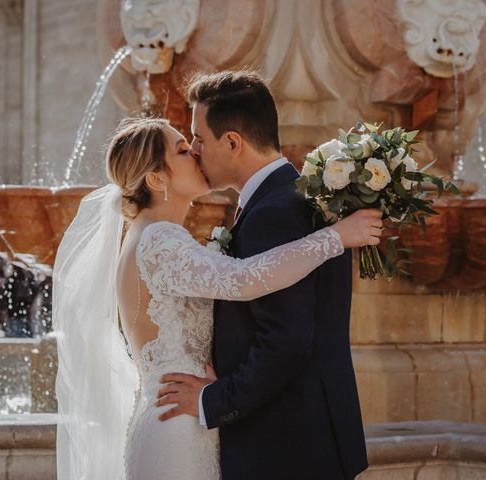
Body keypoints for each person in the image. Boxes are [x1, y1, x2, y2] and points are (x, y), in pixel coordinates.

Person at [53, 114, 380, 478]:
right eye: (181, 150)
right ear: (156, 178)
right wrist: (336, 237)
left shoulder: (150, 236)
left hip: (182, 418)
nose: (195, 152)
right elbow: (243, 279)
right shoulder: (160, 241)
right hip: (176, 429)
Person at [157, 70, 369, 479]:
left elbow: (285, 341)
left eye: (199, 138)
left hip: (285, 447)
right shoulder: (295, 195)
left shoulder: (273, 214)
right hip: (306, 438)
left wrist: (214, 400)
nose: (195, 150)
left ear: (233, 142)